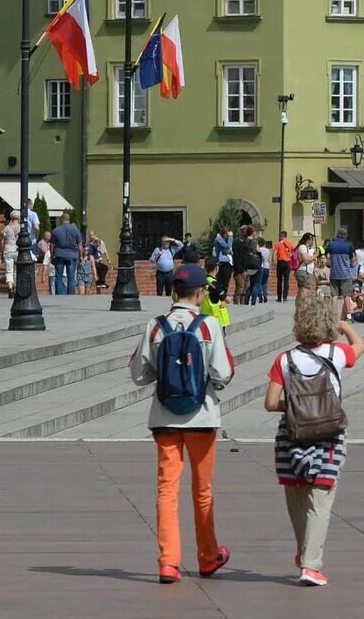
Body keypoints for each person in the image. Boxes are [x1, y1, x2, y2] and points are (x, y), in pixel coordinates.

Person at [130, 264, 235, 584]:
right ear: (201, 293)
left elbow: (139, 375)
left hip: (164, 418)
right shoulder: (208, 327)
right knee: (202, 491)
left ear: (173, 291)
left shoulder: (156, 326)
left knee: (167, 490)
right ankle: (207, 555)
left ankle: (168, 562)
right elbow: (223, 374)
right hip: (202, 416)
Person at [262, 290, 364, 587]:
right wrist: (343, 325)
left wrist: (296, 404)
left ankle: (303, 551)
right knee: (321, 497)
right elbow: (360, 346)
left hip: (292, 435)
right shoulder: (337, 354)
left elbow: (270, 403)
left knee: (296, 496)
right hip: (329, 434)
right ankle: (311, 565)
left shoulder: (285, 359)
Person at [50, 212, 83, 297]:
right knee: (71, 277)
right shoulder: (75, 230)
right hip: (72, 255)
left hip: (59, 254)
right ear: (69, 220)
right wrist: (81, 256)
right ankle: (70, 296)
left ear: (62, 219)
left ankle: (59, 296)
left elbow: (52, 245)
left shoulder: (56, 230)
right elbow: (80, 244)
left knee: (59, 276)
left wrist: (52, 255)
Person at [326, 228, 357, 300]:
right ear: (345, 236)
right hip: (345, 274)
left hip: (334, 274)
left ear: (337, 235)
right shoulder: (349, 246)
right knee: (347, 295)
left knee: (334, 295)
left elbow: (327, 257)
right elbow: (352, 260)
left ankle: (333, 311)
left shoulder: (331, 245)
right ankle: (348, 311)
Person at [211, 225, 236, 300]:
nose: (228, 236)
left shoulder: (224, 240)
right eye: (227, 234)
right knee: (221, 281)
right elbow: (228, 247)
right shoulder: (218, 238)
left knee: (226, 282)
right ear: (224, 233)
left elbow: (230, 250)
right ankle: (220, 297)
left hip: (228, 263)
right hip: (222, 262)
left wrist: (229, 251)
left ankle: (223, 297)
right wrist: (231, 237)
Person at [273, 230, 295, 304]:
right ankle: (285, 297)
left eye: (279, 236)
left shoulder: (278, 244)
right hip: (287, 263)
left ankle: (279, 298)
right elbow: (294, 252)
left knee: (279, 280)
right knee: (286, 280)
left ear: (282, 236)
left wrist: (274, 262)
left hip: (280, 262)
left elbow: (274, 253)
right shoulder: (290, 243)